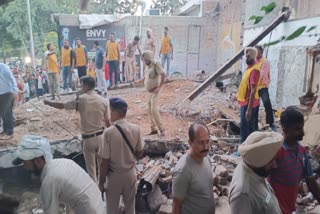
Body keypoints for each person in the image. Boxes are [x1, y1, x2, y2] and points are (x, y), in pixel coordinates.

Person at [12, 135, 105, 214]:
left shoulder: (50, 180)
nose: (24, 166)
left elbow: (50, 212)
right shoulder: (63, 162)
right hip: (100, 206)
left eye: (25, 162)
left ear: (38, 161)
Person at [43, 76, 111, 182]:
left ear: (86, 86)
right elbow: (108, 121)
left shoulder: (81, 100)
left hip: (88, 139)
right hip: (101, 137)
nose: (80, 87)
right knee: (102, 167)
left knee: (91, 171)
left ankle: (95, 192)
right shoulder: (103, 100)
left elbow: (62, 105)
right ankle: (104, 188)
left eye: (81, 85)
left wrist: (48, 103)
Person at [268, 107, 320, 214]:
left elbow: (311, 183)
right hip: (274, 208)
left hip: (289, 208)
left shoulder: (302, 151)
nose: (302, 133)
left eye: (302, 128)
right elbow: (262, 181)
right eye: (297, 129)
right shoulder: (277, 151)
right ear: (285, 129)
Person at [99, 97, 144, 214]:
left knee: (112, 210)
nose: (108, 113)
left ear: (116, 112)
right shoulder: (136, 129)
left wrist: (101, 182)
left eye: (110, 110)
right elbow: (140, 153)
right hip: (130, 175)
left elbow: (104, 162)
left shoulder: (109, 133)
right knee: (130, 208)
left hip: (114, 177)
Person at [228, 131, 283, 214]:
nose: (275, 165)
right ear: (259, 162)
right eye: (271, 162)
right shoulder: (243, 194)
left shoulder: (254, 167)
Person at [172, 123, 215, 214]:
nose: (206, 147)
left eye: (207, 141)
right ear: (190, 142)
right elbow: (176, 206)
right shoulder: (183, 170)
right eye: (201, 142)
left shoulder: (206, 158)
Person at [134, 50, 166, 137]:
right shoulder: (147, 66)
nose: (144, 61)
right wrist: (138, 82)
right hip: (149, 92)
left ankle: (161, 129)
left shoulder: (156, 65)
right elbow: (146, 77)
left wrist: (159, 87)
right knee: (149, 110)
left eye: (145, 60)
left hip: (156, 91)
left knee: (154, 110)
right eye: (144, 60)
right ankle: (153, 129)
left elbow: (163, 75)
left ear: (149, 58)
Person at [237, 47, 260, 144]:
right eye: (246, 55)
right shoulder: (248, 69)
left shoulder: (254, 70)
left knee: (245, 128)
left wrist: (249, 110)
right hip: (245, 102)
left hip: (248, 104)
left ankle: (244, 149)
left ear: (254, 56)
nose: (247, 56)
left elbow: (253, 90)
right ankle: (251, 148)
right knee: (249, 128)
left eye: (249, 55)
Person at [255, 45, 276, 131]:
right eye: (255, 52)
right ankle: (254, 122)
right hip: (255, 87)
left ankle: (270, 122)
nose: (256, 54)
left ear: (261, 52)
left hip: (262, 86)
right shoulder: (254, 61)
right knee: (255, 105)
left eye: (258, 52)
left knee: (266, 103)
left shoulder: (265, 62)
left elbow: (262, 74)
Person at [0, 63, 18, 140]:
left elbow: (12, 78)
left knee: (7, 112)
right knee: (2, 112)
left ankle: (10, 132)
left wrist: (14, 90)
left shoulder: (3, 67)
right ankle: (5, 129)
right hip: (0, 93)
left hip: (7, 92)